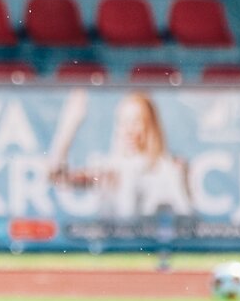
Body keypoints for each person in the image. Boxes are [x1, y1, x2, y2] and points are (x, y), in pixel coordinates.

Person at [49, 90, 192, 220]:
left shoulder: (171, 168)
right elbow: (58, 178)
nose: (128, 130)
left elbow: (186, 219)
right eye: (123, 122)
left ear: (151, 125)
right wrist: (69, 125)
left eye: (136, 121)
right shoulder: (109, 171)